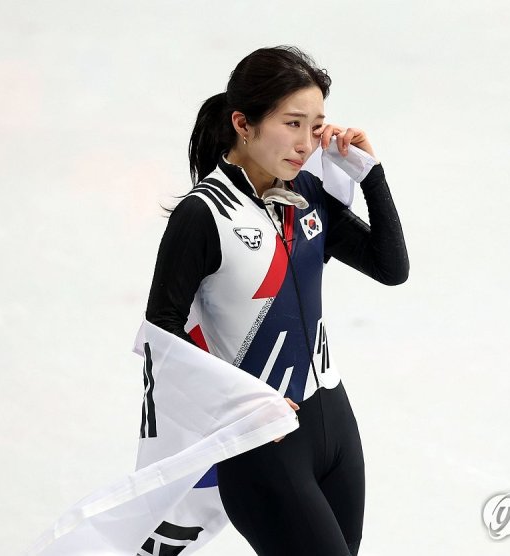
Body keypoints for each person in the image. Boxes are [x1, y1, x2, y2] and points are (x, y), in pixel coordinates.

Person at [145, 45, 409, 556]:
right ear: (244, 122)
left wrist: (370, 175)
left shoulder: (305, 193)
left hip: (333, 424)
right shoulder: (203, 216)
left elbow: (390, 268)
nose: (307, 142)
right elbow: (161, 333)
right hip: (263, 442)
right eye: (292, 123)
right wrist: (238, 403)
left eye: (316, 126)